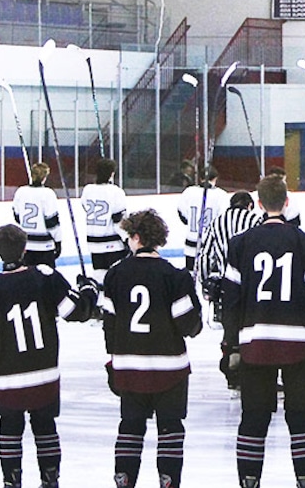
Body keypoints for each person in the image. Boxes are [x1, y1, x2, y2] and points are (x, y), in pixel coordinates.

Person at [221, 175, 305, 488]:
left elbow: (230, 300)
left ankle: (249, 480)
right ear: (286, 202)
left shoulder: (241, 243)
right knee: (300, 416)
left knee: (254, 416)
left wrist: (229, 345)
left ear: (259, 203)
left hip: (254, 341)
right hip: (299, 343)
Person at [0, 224, 98, 488]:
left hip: (8, 379)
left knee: (9, 428)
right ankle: (50, 480)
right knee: (45, 426)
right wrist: (88, 292)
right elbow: (74, 312)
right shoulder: (45, 276)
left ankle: (11, 481)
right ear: (25, 248)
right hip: (44, 374)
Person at [102, 209, 203, 488]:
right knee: (170, 429)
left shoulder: (114, 275)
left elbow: (109, 326)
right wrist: (196, 308)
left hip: (129, 368)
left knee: (131, 427)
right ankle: (169, 481)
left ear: (136, 237)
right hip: (169, 369)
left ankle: (124, 479)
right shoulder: (174, 275)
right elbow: (190, 327)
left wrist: (113, 363)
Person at [196, 191, 260, 329]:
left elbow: (205, 255)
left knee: (229, 329)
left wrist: (205, 282)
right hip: (251, 283)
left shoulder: (216, 222)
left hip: (226, 284)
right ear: (249, 205)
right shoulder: (255, 220)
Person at [81, 158, 129, 286]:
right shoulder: (116, 191)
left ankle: (101, 304)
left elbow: (85, 207)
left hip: (93, 242)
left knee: (99, 277)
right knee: (116, 279)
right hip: (112, 242)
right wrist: (126, 239)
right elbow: (118, 219)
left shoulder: (87, 190)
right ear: (112, 173)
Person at [177, 162, 227, 272]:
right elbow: (223, 220)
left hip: (191, 243)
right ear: (215, 178)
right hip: (211, 246)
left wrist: (191, 223)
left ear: (200, 178)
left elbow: (182, 214)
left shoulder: (189, 192)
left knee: (190, 277)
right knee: (211, 278)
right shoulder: (221, 195)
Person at [12, 162, 63, 268]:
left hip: (25, 246)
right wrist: (58, 242)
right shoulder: (48, 194)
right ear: (45, 177)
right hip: (44, 247)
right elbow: (51, 222)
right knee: (46, 281)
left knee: (28, 280)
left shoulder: (20, 192)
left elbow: (17, 217)